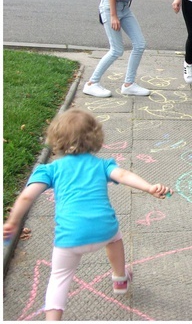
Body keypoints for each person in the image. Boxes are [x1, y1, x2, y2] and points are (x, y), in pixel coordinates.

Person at [2, 108, 172, 320]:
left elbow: (27, 197)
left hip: (70, 237)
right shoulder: (102, 165)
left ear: (55, 139)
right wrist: (149, 187)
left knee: (60, 277)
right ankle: (120, 277)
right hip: (104, 229)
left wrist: (12, 221)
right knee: (115, 240)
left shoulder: (50, 170)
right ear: (96, 138)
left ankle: (52, 319)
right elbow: (124, 174)